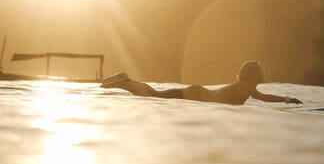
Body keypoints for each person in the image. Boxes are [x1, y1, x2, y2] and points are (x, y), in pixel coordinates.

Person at [101, 60, 302, 105]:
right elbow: (220, 97)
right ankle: (124, 80)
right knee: (155, 95)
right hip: (197, 95)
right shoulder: (244, 86)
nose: (263, 73)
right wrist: (212, 106)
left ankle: (124, 81)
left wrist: (287, 99)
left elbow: (265, 97)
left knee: (156, 94)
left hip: (198, 93)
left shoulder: (249, 87)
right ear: (253, 74)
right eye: (260, 71)